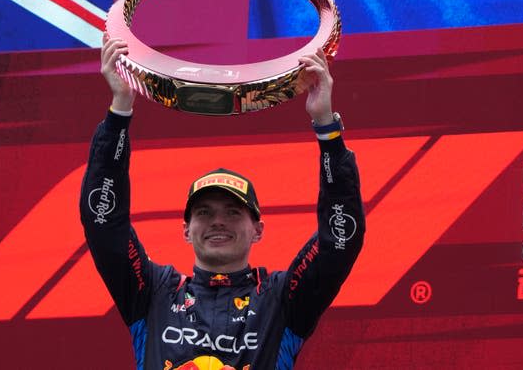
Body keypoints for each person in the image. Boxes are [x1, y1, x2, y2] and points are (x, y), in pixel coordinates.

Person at [80, 33, 365, 370]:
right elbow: (103, 224)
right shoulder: (153, 294)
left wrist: (327, 128)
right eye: (204, 212)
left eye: (233, 212)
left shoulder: (281, 300)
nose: (218, 221)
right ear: (186, 230)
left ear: (258, 229)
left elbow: (340, 241)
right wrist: (119, 110)